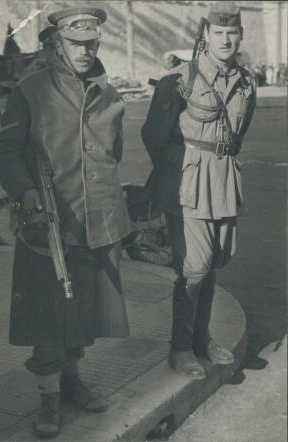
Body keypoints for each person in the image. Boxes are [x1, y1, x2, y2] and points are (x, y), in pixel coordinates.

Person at [0, 7, 132, 439]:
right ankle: (48, 393)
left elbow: (113, 152)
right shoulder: (31, 89)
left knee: (84, 310)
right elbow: (4, 149)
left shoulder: (109, 94)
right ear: (57, 43)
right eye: (76, 43)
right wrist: (25, 191)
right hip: (48, 219)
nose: (85, 51)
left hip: (98, 219)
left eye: (92, 43)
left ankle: (71, 379)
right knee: (49, 315)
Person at [141, 2, 256, 380]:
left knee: (213, 265)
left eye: (232, 33)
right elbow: (153, 135)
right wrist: (179, 168)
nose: (225, 39)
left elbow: (237, 134)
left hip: (222, 180)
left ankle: (201, 339)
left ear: (240, 36)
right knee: (194, 266)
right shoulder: (179, 79)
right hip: (186, 181)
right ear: (205, 35)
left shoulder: (246, 81)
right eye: (218, 32)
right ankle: (179, 348)